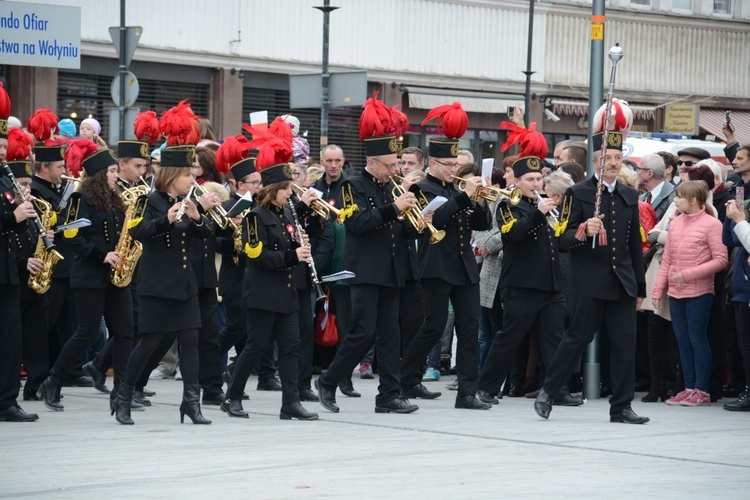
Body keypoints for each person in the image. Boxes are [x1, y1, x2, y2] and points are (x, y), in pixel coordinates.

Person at [534, 129, 649, 424]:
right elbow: (563, 239)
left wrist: (639, 287)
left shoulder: (630, 195)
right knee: (576, 338)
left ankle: (621, 406)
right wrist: (584, 230)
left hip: (621, 280)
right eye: (607, 158)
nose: (613, 163)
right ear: (596, 162)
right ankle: (549, 391)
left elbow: (634, 245)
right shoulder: (579, 192)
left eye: (617, 157)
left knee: (625, 344)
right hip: (589, 279)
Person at [316, 94, 420, 414]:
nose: (394, 171)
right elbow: (359, 223)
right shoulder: (352, 186)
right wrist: (395, 209)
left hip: (391, 269)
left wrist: (419, 223)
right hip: (364, 270)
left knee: (391, 335)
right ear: (372, 162)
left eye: (396, 165)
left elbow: (399, 228)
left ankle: (388, 395)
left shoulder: (390, 188)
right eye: (390, 166)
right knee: (363, 332)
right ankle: (329, 380)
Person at [114, 103, 214, 425]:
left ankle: (191, 403)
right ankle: (124, 396)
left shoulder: (188, 202)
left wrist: (199, 220)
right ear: (172, 175)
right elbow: (137, 231)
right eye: (188, 174)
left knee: (191, 340)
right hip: (156, 286)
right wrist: (165, 221)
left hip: (184, 285)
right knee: (151, 342)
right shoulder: (149, 201)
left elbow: (205, 239)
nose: (192, 179)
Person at [477, 128, 582, 407]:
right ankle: (485, 388)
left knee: (555, 340)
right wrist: (539, 214)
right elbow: (511, 235)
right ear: (518, 182)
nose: (536, 184)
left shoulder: (545, 206)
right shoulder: (507, 206)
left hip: (550, 285)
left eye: (539, 178)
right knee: (509, 338)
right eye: (530, 180)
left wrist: (578, 234)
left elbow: (558, 243)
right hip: (521, 285)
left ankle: (557, 391)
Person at [399, 102, 493, 410]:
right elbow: (434, 221)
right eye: (447, 165)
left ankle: (467, 393)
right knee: (433, 327)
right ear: (433, 164)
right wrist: (465, 195)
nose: (453, 170)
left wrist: (479, 200)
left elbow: (482, 225)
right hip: (435, 266)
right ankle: (406, 379)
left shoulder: (458, 190)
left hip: (464, 266)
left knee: (468, 328)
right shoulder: (421, 187)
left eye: (455, 166)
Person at [222, 137, 318, 421]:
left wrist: (300, 245)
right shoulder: (254, 217)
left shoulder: (286, 212)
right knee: (255, 348)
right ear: (275, 189)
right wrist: (293, 256)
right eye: (287, 189)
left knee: (290, 348)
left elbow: (287, 237)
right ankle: (233, 396)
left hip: (286, 292)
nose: (291, 194)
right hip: (263, 295)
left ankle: (290, 403)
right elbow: (257, 257)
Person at [36, 140, 135, 413]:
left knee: (126, 331)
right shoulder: (82, 199)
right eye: (113, 171)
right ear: (101, 174)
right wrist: (101, 255)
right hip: (90, 275)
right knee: (86, 332)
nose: (117, 175)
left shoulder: (116, 201)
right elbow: (72, 236)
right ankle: (54, 379)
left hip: (115, 276)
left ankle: (121, 392)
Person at [652, 180, 727, 406]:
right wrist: (658, 290)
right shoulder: (675, 224)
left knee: (697, 339)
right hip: (676, 292)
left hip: (699, 292)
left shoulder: (712, 224)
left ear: (693, 200)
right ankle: (688, 388)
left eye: (679, 196)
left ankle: (701, 390)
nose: (675, 200)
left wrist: (689, 275)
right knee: (682, 341)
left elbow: (721, 260)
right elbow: (667, 260)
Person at [0, 87, 41, 422]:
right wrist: (12, 216)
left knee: (12, 341)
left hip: (7, 271)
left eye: (3, 146)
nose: (1, 151)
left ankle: (7, 401)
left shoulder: (5, 175)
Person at [723, 197, 750, 410]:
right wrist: (730, 218)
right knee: (744, 345)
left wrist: (740, 221)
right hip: (742, 289)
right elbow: (730, 240)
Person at [637, 154, 675, 221]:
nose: (636, 172)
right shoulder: (641, 198)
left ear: (650, 173)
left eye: (638, 169)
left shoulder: (674, 197)